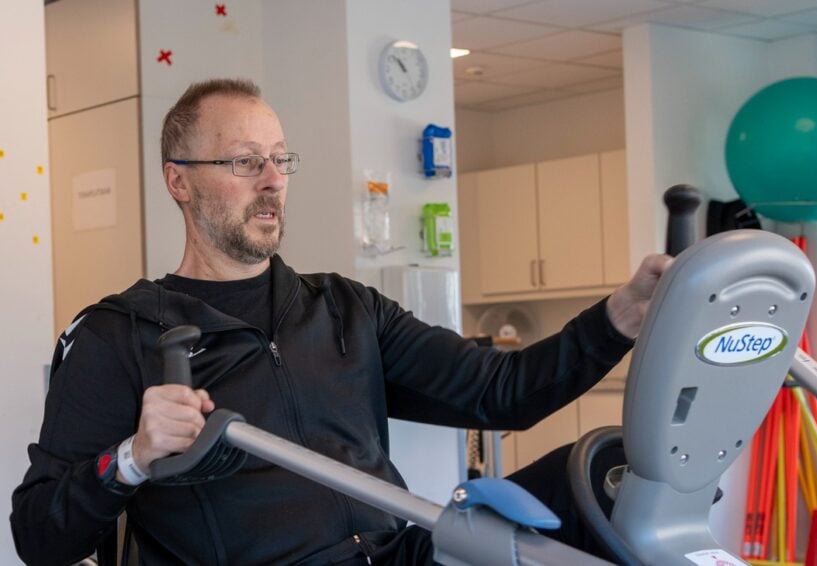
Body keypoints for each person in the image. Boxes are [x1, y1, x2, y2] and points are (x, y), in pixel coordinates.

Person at [10, 78, 672, 565]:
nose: (272, 179)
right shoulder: (119, 334)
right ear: (179, 181)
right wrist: (131, 459)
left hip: (397, 556)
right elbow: (40, 535)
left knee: (600, 476)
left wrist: (622, 316)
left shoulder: (347, 309)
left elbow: (505, 392)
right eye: (244, 161)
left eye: (279, 159)